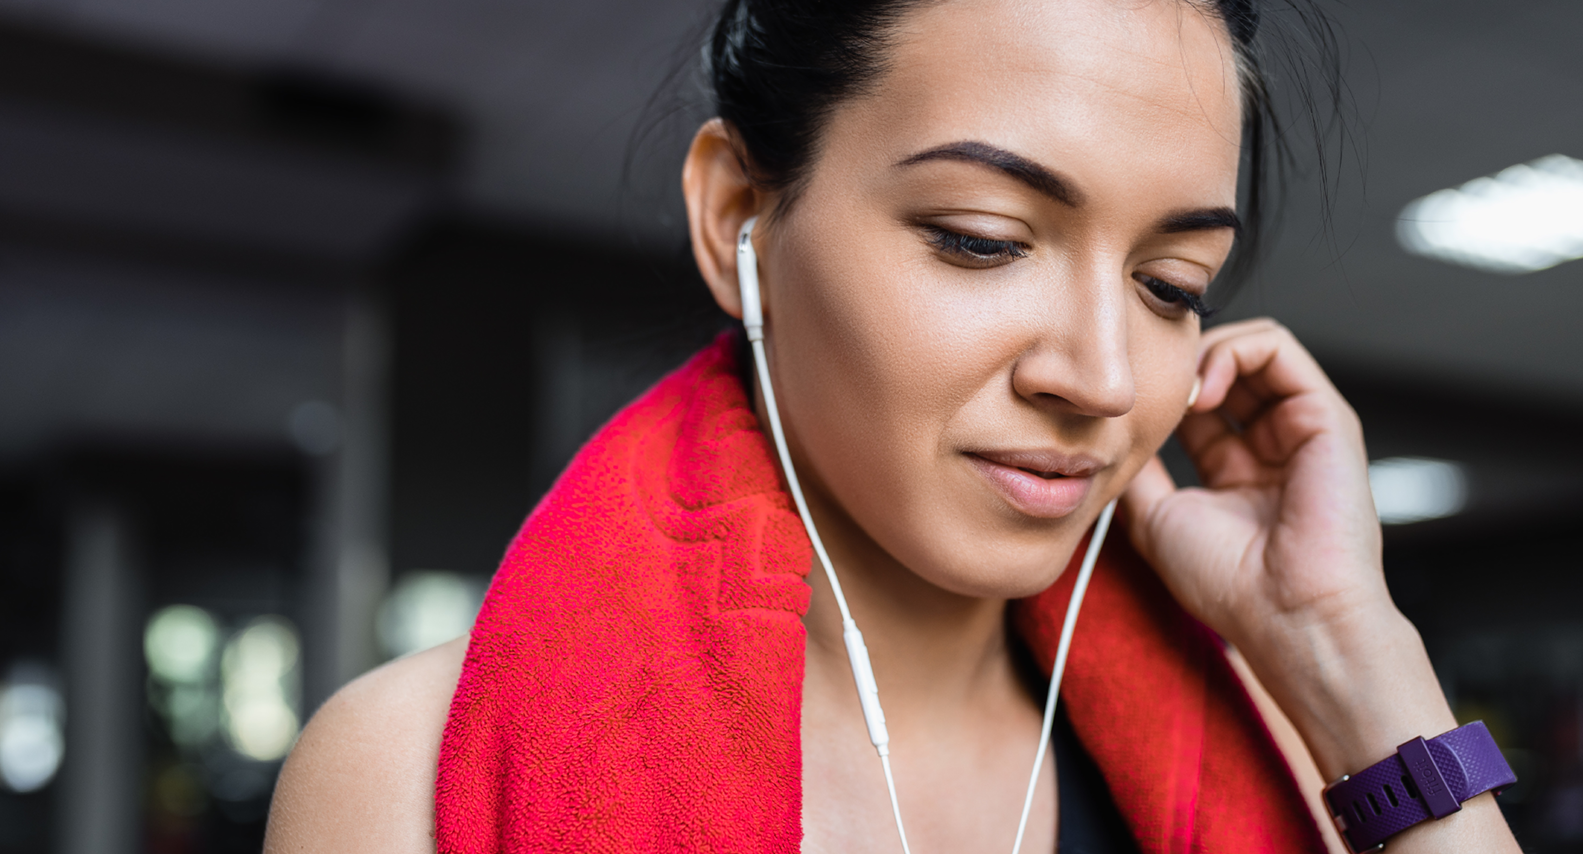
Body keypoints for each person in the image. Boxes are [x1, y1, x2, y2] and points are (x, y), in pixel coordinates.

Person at [264, 1, 1522, 852]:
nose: (1097, 374)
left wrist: (1352, 661)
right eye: (980, 239)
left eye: (1168, 286)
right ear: (737, 217)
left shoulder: (1307, 738)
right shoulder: (409, 773)